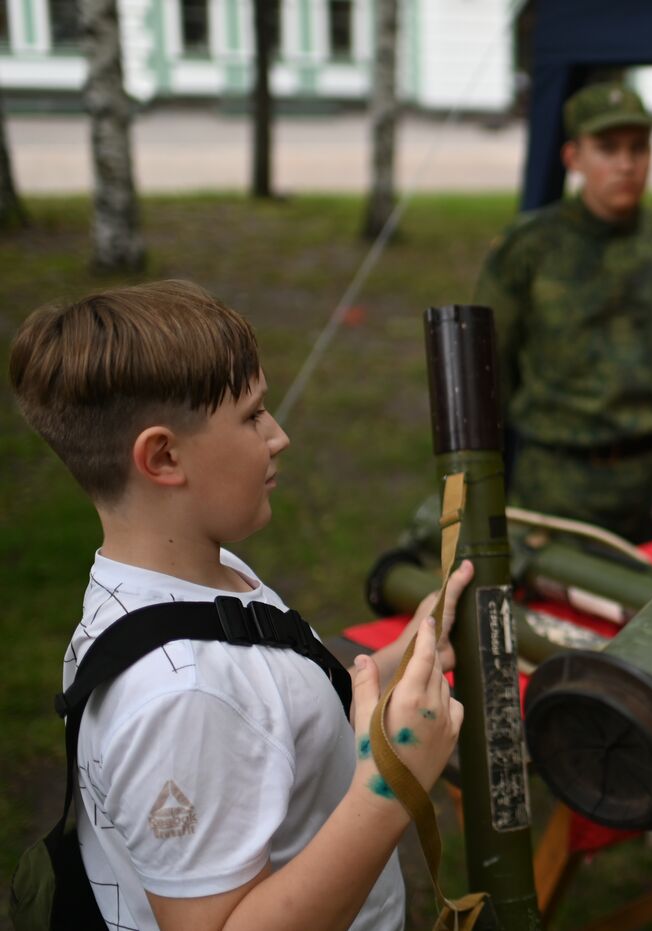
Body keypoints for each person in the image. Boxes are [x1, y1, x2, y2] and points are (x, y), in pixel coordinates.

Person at [9, 280, 473, 931]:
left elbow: (270, 719)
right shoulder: (183, 699)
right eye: (253, 415)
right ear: (164, 456)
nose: (278, 435)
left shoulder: (199, 577)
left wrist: (396, 662)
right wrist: (389, 788)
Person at [474, 81, 652, 542]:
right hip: (562, 484)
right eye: (607, 149)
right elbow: (489, 373)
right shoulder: (530, 250)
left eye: (638, 148)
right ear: (572, 158)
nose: (626, 164)